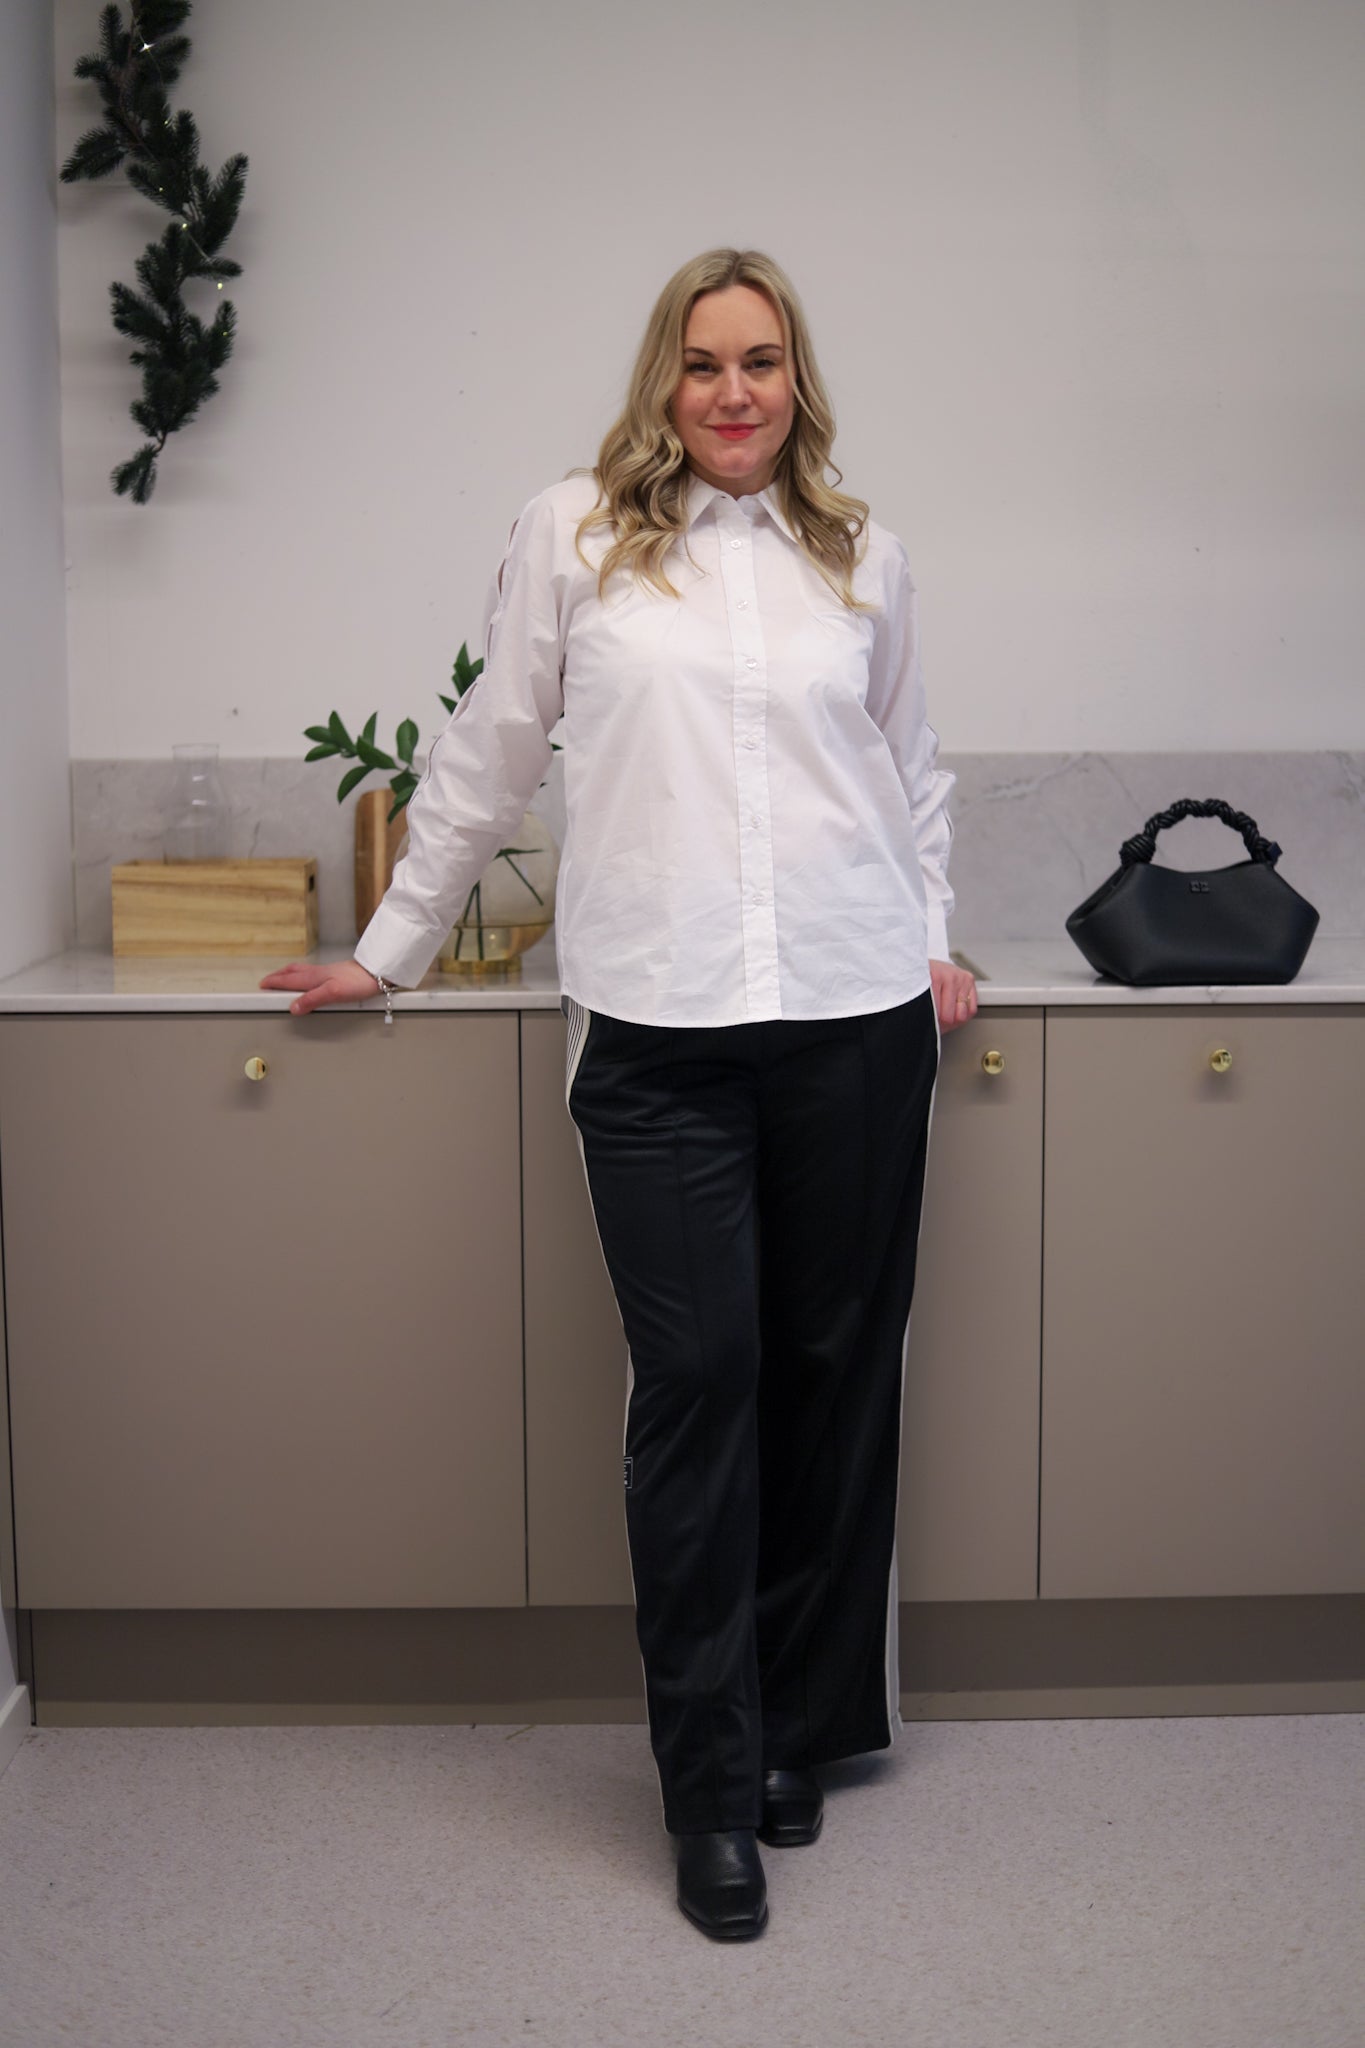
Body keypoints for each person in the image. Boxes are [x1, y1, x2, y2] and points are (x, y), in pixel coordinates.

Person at [261, 247, 978, 1941]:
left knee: (831, 1376)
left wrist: (931, 934)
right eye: (703, 362)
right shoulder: (571, 534)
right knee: (699, 1385)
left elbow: (908, 768)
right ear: (663, 379)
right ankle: (708, 1787)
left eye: (762, 361)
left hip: (852, 1014)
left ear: (796, 382)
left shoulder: (860, 552)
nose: (733, 392)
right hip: (656, 1031)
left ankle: (798, 1733)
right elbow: (489, 752)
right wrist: (391, 948)